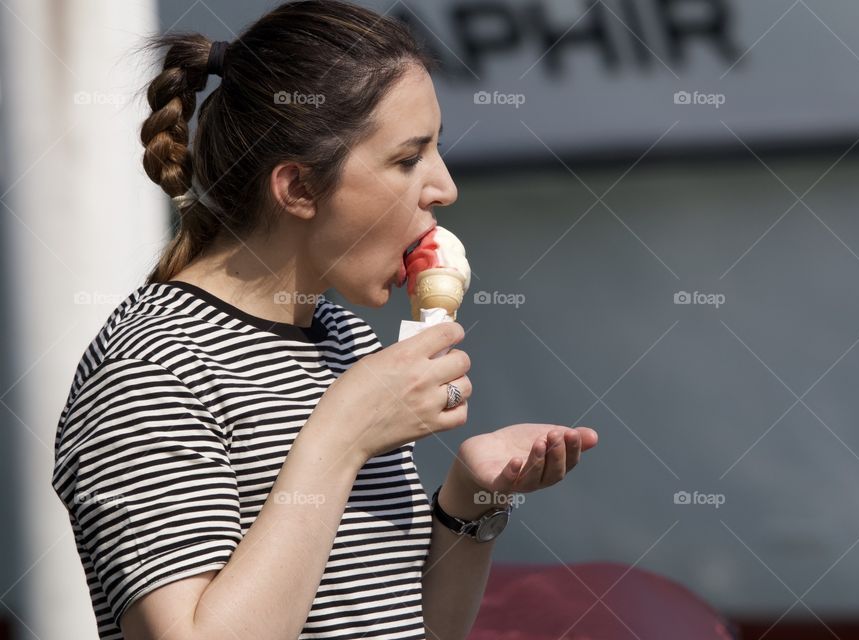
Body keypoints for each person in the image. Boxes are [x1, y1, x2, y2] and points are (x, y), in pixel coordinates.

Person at [51, 1, 599, 638]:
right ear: (300, 189)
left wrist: (470, 503)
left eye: (437, 150)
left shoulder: (343, 339)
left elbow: (406, 627)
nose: (445, 187)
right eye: (408, 159)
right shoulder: (151, 369)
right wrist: (341, 435)